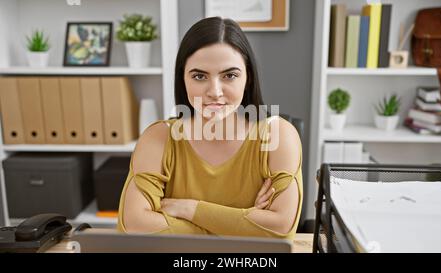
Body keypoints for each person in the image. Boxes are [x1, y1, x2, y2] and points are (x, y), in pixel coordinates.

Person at [117, 17, 303, 240]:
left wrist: (190, 209)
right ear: (183, 79)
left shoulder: (278, 136)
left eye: (229, 75)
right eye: (199, 76)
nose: (214, 91)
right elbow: (134, 225)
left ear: (249, 77)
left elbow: (281, 230)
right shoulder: (158, 138)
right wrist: (241, 224)